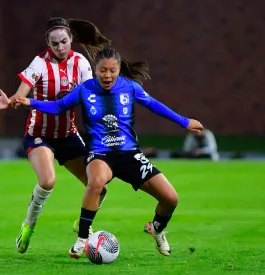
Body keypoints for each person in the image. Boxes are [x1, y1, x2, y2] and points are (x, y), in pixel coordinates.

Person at [12, 47, 204, 258]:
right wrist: (30, 101)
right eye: (103, 70)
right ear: (96, 69)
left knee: (171, 199)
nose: (107, 75)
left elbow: (155, 106)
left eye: (112, 70)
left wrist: (185, 122)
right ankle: (82, 238)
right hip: (101, 154)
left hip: (130, 154)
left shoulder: (130, 87)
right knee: (96, 183)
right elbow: (58, 107)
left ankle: (156, 229)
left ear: (119, 69)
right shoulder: (85, 89)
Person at [0, 17, 112, 254]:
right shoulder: (39, 63)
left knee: (100, 186)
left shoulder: (81, 62)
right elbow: (22, 94)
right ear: (48, 45)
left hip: (68, 135)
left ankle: (82, 223)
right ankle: (28, 226)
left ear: (71, 38)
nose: (60, 48)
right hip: (39, 134)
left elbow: (89, 99)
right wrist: (10, 101)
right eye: (55, 44)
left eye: (64, 42)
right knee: (47, 181)